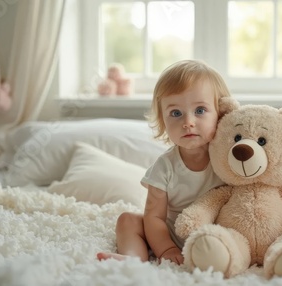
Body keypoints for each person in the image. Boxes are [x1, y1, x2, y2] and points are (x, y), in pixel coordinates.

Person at [97, 59, 231, 264]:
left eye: (200, 110)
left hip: (217, 234)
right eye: (175, 113)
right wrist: (167, 248)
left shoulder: (228, 158)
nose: (188, 122)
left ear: (221, 113)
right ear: (163, 120)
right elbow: (155, 217)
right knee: (127, 220)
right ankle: (132, 258)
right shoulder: (164, 167)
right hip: (170, 234)